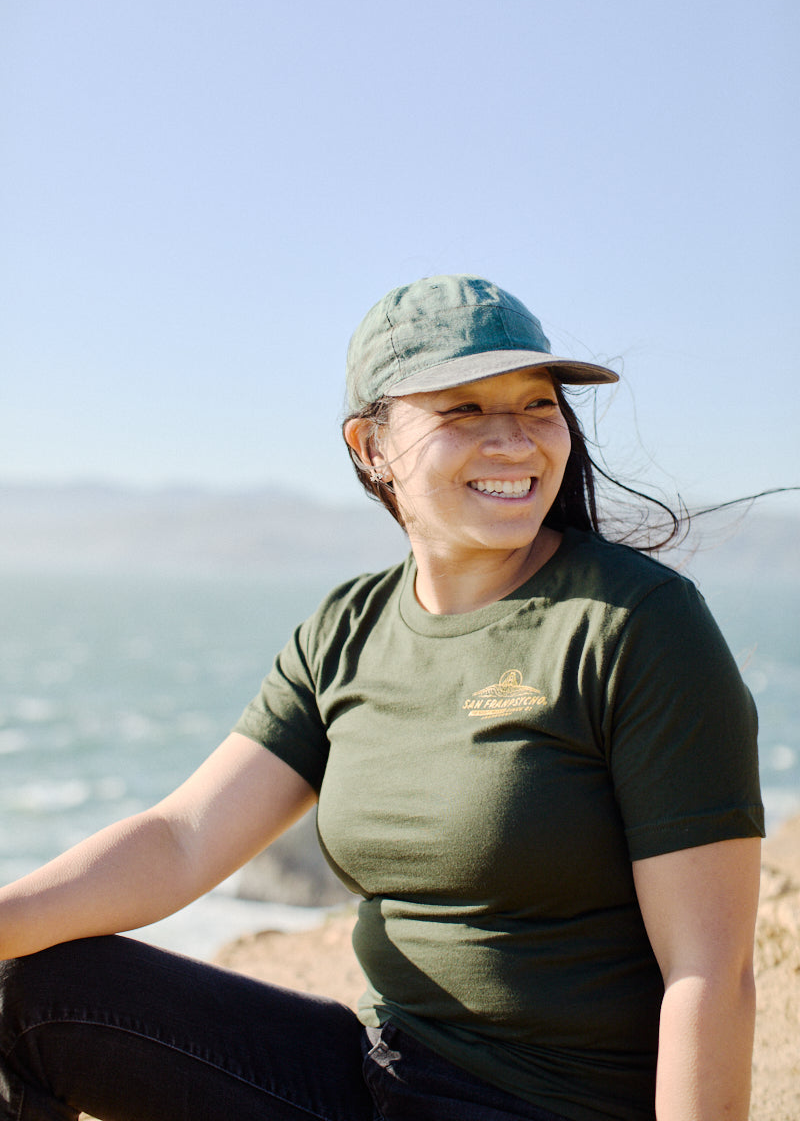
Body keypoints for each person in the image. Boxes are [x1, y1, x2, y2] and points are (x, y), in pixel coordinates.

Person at [0, 275, 764, 1121]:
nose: (514, 441)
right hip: (376, 1078)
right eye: (463, 410)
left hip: (540, 1106)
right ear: (371, 445)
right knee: (25, 994)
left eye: (538, 405)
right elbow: (182, 841)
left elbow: (711, 971)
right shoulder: (347, 630)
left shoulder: (636, 625)